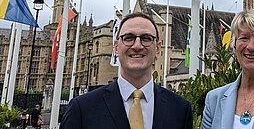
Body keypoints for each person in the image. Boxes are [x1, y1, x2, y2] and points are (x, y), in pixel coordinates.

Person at [60, 12, 192, 129]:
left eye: (146, 38)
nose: (137, 45)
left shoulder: (180, 109)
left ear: (158, 48)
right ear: (116, 48)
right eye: (129, 38)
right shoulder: (82, 108)